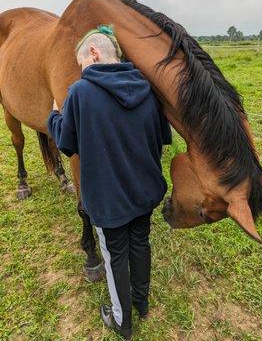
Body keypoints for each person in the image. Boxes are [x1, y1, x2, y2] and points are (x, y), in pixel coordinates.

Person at [47, 25, 172, 340]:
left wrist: (54, 116)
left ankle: (121, 321)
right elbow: (160, 139)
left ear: (94, 53)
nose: (82, 72)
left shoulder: (80, 92)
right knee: (141, 243)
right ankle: (141, 304)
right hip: (144, 190)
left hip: (108, 198)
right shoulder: (146, 86)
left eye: (81, 66)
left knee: (115, 254)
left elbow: (66, 143)